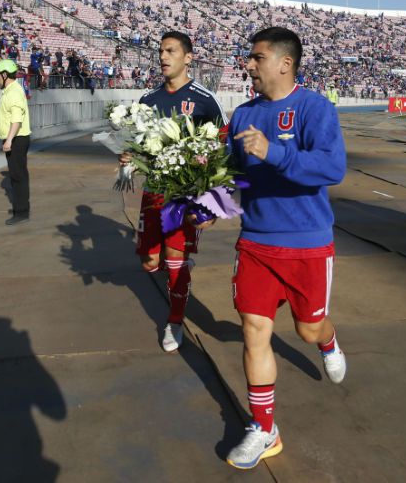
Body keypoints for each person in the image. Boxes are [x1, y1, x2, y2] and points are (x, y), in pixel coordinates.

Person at [223, 27, 347, 469]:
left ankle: (328, 342)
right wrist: (200, 189)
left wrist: (274, 152)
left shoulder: (316, 108)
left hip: (308, 245)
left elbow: (333, 167)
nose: (249, 65)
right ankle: (264, 428)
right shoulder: (241, 115)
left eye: (257, 58)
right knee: (254, 330)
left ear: (284, 63)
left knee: (307, 330)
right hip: (255, 242)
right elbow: (232, 175)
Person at [119, 31, 228, 353]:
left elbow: (222, 150)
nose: (163, 57)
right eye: (161, 51)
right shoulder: (148, 100)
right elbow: (138, 145)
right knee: (150, 263)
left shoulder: (205, 99)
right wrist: (128, 157)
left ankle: (175, 321)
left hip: (184, 197)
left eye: (170, 51)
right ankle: (177, 269)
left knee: (175, 262)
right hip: (153, 193)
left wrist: (213, 201)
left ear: (188, 58)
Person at [0, 59, 31, 226]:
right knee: (18, 175)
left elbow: (16, 119)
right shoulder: (11, 90)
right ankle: (19, 207)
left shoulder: (14, 92)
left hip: (17, 139)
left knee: (18, 177)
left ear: (4, 75)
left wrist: (9, 140)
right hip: (16, 139)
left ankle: (21, 212)